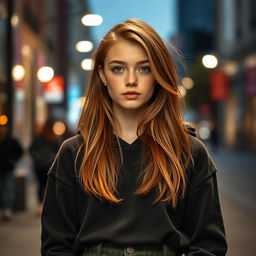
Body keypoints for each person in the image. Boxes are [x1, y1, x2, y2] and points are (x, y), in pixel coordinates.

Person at [41, 19, 227, 256]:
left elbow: (209, 245)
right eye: (118, 68)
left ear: (158, 74)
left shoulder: (190, 152)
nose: (131, 80)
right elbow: (55, 247)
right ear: (102, 74)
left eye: (144, 68)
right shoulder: (73, 153)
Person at [29, 119, 60, 215]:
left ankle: (40, 206)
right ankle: (47, 206)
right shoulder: (54, 138)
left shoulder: (39, 138)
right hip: (49, 165)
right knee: (49, 186)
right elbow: (59, 151)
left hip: (40, 166)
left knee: (40, 185)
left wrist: (37, 156)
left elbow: (31, 150)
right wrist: (53, 157)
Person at [0, 124, 23, 221]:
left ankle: (7, 208)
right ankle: (3, 207)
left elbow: (20, 151)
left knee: (8, 188)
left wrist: (13, 159)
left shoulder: (11, 140)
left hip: (8, 169)